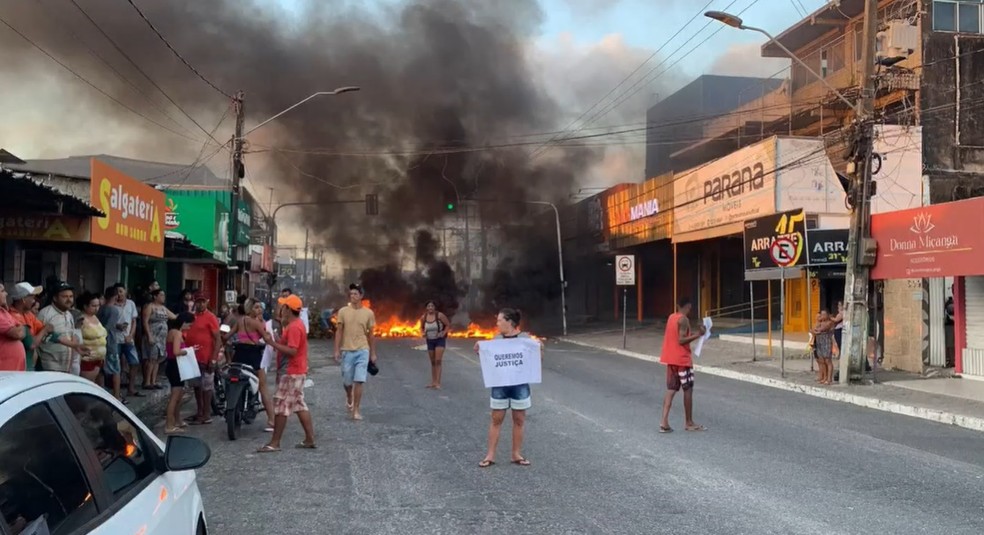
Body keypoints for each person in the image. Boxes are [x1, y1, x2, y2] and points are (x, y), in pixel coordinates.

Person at [476, 308, 541, 468]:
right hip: (500, 384)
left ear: (509, 322)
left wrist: (540, 348)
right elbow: (490, 360)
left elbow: (537, 359)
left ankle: (516, 454)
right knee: (496, 419)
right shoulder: (496, 339)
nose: (497, 323)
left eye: (499, 320)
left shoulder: (525, 339)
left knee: (519, 420)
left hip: (520, 384)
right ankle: (490, 455)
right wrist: (480, 350)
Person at [257, 294, 316, 452]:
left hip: (292, 370)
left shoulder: (295, 327)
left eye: (283, 307)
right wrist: (276, 338)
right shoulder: (294, 325)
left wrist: (272, 342)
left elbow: (292, 351)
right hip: (296, 370)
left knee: (281, 405)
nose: (281, 309)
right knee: (299, 404)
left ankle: (275, 443)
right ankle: (309, 439)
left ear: (288, 309)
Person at [658, 297, 706, 434]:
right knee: (688, 389)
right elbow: (681, 340)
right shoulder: (683, 319)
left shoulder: (671, 317)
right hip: (682, 360)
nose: (690, 310)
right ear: (687, 306)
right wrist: (698, 334)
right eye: (690, 308)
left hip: (670, 358)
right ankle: (689, 422)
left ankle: (664, 421)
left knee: (671, 389)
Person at [226, 297, 275, 431]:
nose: (259, 309)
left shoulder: (240, 321)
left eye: (260, 307)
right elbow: (266, 338)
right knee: (263, 387)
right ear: (250, 309)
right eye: (256, 307)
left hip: (239, 354)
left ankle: (230, 406)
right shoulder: (256, 323)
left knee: (233, 380)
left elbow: (227, 336)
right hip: (253, 355)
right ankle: (271, 420)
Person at [334, 284, 377, 421]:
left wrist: (373, 353)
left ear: (361, 296)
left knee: (359, 380)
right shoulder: (343, 311)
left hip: (362, 350)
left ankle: (356, 410)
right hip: (347, 350)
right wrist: (336, 349)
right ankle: (349, 396)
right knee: (347, 381)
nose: (353, 296)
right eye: (351, 294)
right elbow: (339, 331)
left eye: (355, 294)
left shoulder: (368, 313)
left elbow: (371, 334)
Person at [37, 281, 90, 373]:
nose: (69, 300)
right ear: (55, 298)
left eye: (71, 296)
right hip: (49, 367)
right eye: (64, 297)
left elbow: (70, 337)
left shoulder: (69, 314)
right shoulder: (45, 314)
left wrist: (78, 349)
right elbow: (41, 337)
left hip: (66, 367)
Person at [184, 294, 221, 425]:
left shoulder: (210, 317)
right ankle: (200, 411)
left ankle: (206, 414)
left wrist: (214, 359)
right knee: (196, 386)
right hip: (192, 357)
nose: (200, 304)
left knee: (207, 387)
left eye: (203, 302)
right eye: (198, 302)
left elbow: (218, 340)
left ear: (207, 302)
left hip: (206, 358)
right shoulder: (192, 316)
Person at [164, 312, 197, 434]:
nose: (189, 327)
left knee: (178, 396)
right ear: (184, 323)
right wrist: (188, 351)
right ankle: (169, 425)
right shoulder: (177, 333)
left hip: (173, 365)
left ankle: (176, 420)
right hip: (175, 366)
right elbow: (176, 351)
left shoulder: (172, 332)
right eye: (189, 324)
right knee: (174, 397)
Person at [6, 282, 45, 371]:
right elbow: (30, 344)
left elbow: (43, 329)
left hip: (28, 364)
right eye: (32, 297)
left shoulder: (28, 314)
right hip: (18, 366)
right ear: (23, 299)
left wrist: (74, 345)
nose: (34, 300)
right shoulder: (13, 316)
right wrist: (45, 331)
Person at [142, 289, 175, 389]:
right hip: (153, 335)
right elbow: (145, 322)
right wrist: (149, 335)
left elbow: (173, 316)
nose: (163, 297)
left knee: (157, 360)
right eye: (161, 295)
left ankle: (153, 380)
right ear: (155, 296)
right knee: (151, 359)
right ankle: (147, 381)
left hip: (162, 338)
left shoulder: (164, 308)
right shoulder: (150, 307)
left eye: (164, 295)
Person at [115, 285, 142, 399]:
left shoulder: (131, 304)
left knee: (134, 362)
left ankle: (131, 388)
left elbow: (134, 321)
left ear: (125, 291)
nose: (119, 294)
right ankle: (117, 390)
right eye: (117, 292)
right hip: (115, 338)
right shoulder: (112, 304)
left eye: (121, 291)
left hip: (128, 338)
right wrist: (117, 326)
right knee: (116, 366)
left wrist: (131, 335)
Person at [77, 292, 108, 385]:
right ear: (85, 306)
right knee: (87, 384)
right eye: (93, 306)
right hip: (87, 359)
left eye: (98, 305)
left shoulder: (95, 317)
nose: (96, 308)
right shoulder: (80, 319)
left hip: (99, 358)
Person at [420, 300, 451, 389]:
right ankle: (433, 382)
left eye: (432, 306)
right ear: (426, 308)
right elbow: (421, 328)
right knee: (433, 362)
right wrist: (423, 333)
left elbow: (448, 324)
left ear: (435, 307)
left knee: (438, 361)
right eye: (429, 306)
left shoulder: (440, 315)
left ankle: (438, 382)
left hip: (439, 340)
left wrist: (443, 333)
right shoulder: (424, 317)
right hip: (429, 340)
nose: (430, 308)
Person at [0, 282, 27, 372]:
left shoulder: (4, 311)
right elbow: (18, 334)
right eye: (2, 291)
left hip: (13, 370)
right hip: (4, 372)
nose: (6, 294)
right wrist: (20, 329)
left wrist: (20, 329)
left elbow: (22, 328)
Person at [812, 310, 836, 385]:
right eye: (821, 314)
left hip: (826, 342)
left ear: (828, 315)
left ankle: (829, 379)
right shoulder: (820, 323)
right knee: (822, 360)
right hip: (820, 342)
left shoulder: (829, 323)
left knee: (828, 360)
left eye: (824, 314)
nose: (822, 316)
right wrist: (816, 329)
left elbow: (820, 330)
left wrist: (816, 331)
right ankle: (824, 377)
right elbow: (814, 329)